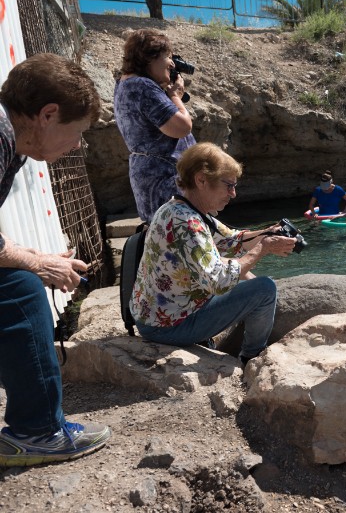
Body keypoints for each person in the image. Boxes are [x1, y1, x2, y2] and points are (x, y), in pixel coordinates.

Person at [0, 53, 111, 466]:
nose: (79, 144)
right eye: (78, 131)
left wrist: (31, 254)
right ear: (48, 114)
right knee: (21, 290)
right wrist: (37, 266)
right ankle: (38, 432)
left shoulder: (12, 142)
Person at [131, 142, 295, 365]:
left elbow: (231, 239)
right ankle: (251, 358)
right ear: (201, 180)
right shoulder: (189, 223)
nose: (234, 194)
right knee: (265, 289)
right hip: (168, 327)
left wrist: (268, 232)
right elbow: (219, 281)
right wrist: (263, 248)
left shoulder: (178, 208)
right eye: (228, 185)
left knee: (235, 270)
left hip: (153, 317)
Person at [114, 28, 195, 223]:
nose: (172, 63)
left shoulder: (126, 84)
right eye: (167, 56)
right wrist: (175, 95)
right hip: (164, 178)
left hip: (155, 177)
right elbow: (182, 126)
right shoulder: (142, 86)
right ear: (150, 57)